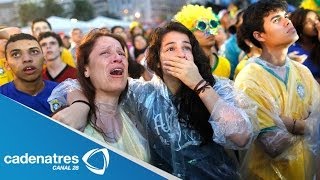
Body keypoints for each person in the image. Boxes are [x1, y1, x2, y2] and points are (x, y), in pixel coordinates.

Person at [49, 23, 257, 179]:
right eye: (170, 49)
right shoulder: (143, 94)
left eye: (186, 48)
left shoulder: (216, 87)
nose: (181, 54)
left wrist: (199, 85)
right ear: (156, 59)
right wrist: (80, 105)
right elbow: (78, 85)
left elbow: (241, 136)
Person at [234, 0, 320, 179]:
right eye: (276, 19)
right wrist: (308, 125)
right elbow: (273, 144)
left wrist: (289, 123)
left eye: (286, 16)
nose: (287, 22)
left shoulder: (302, 71)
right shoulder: (249, 78)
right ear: (259, 35)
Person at [73, 30, 149, 162]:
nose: (118, 58)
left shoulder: (135, 113)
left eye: (121, 53)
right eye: (105, 53)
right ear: (86, 69)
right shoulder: (73, 122)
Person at [0, 33, 61, 116]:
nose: (27, 59)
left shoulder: (61, 92)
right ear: (7, 65)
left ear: (44, 59)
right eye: (16, 54)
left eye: (34, 52)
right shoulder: (2, 97)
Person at [174, 4, 231, 79]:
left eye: (212, 24)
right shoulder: (186, 68)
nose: (209, 31)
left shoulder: (224, 64)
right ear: (188, 33)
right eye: (202, 26)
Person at [288, 8, 320, 83]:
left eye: (317, 18)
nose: (316, 23)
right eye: (309, 21)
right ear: (300, 28)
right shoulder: (293, 51)